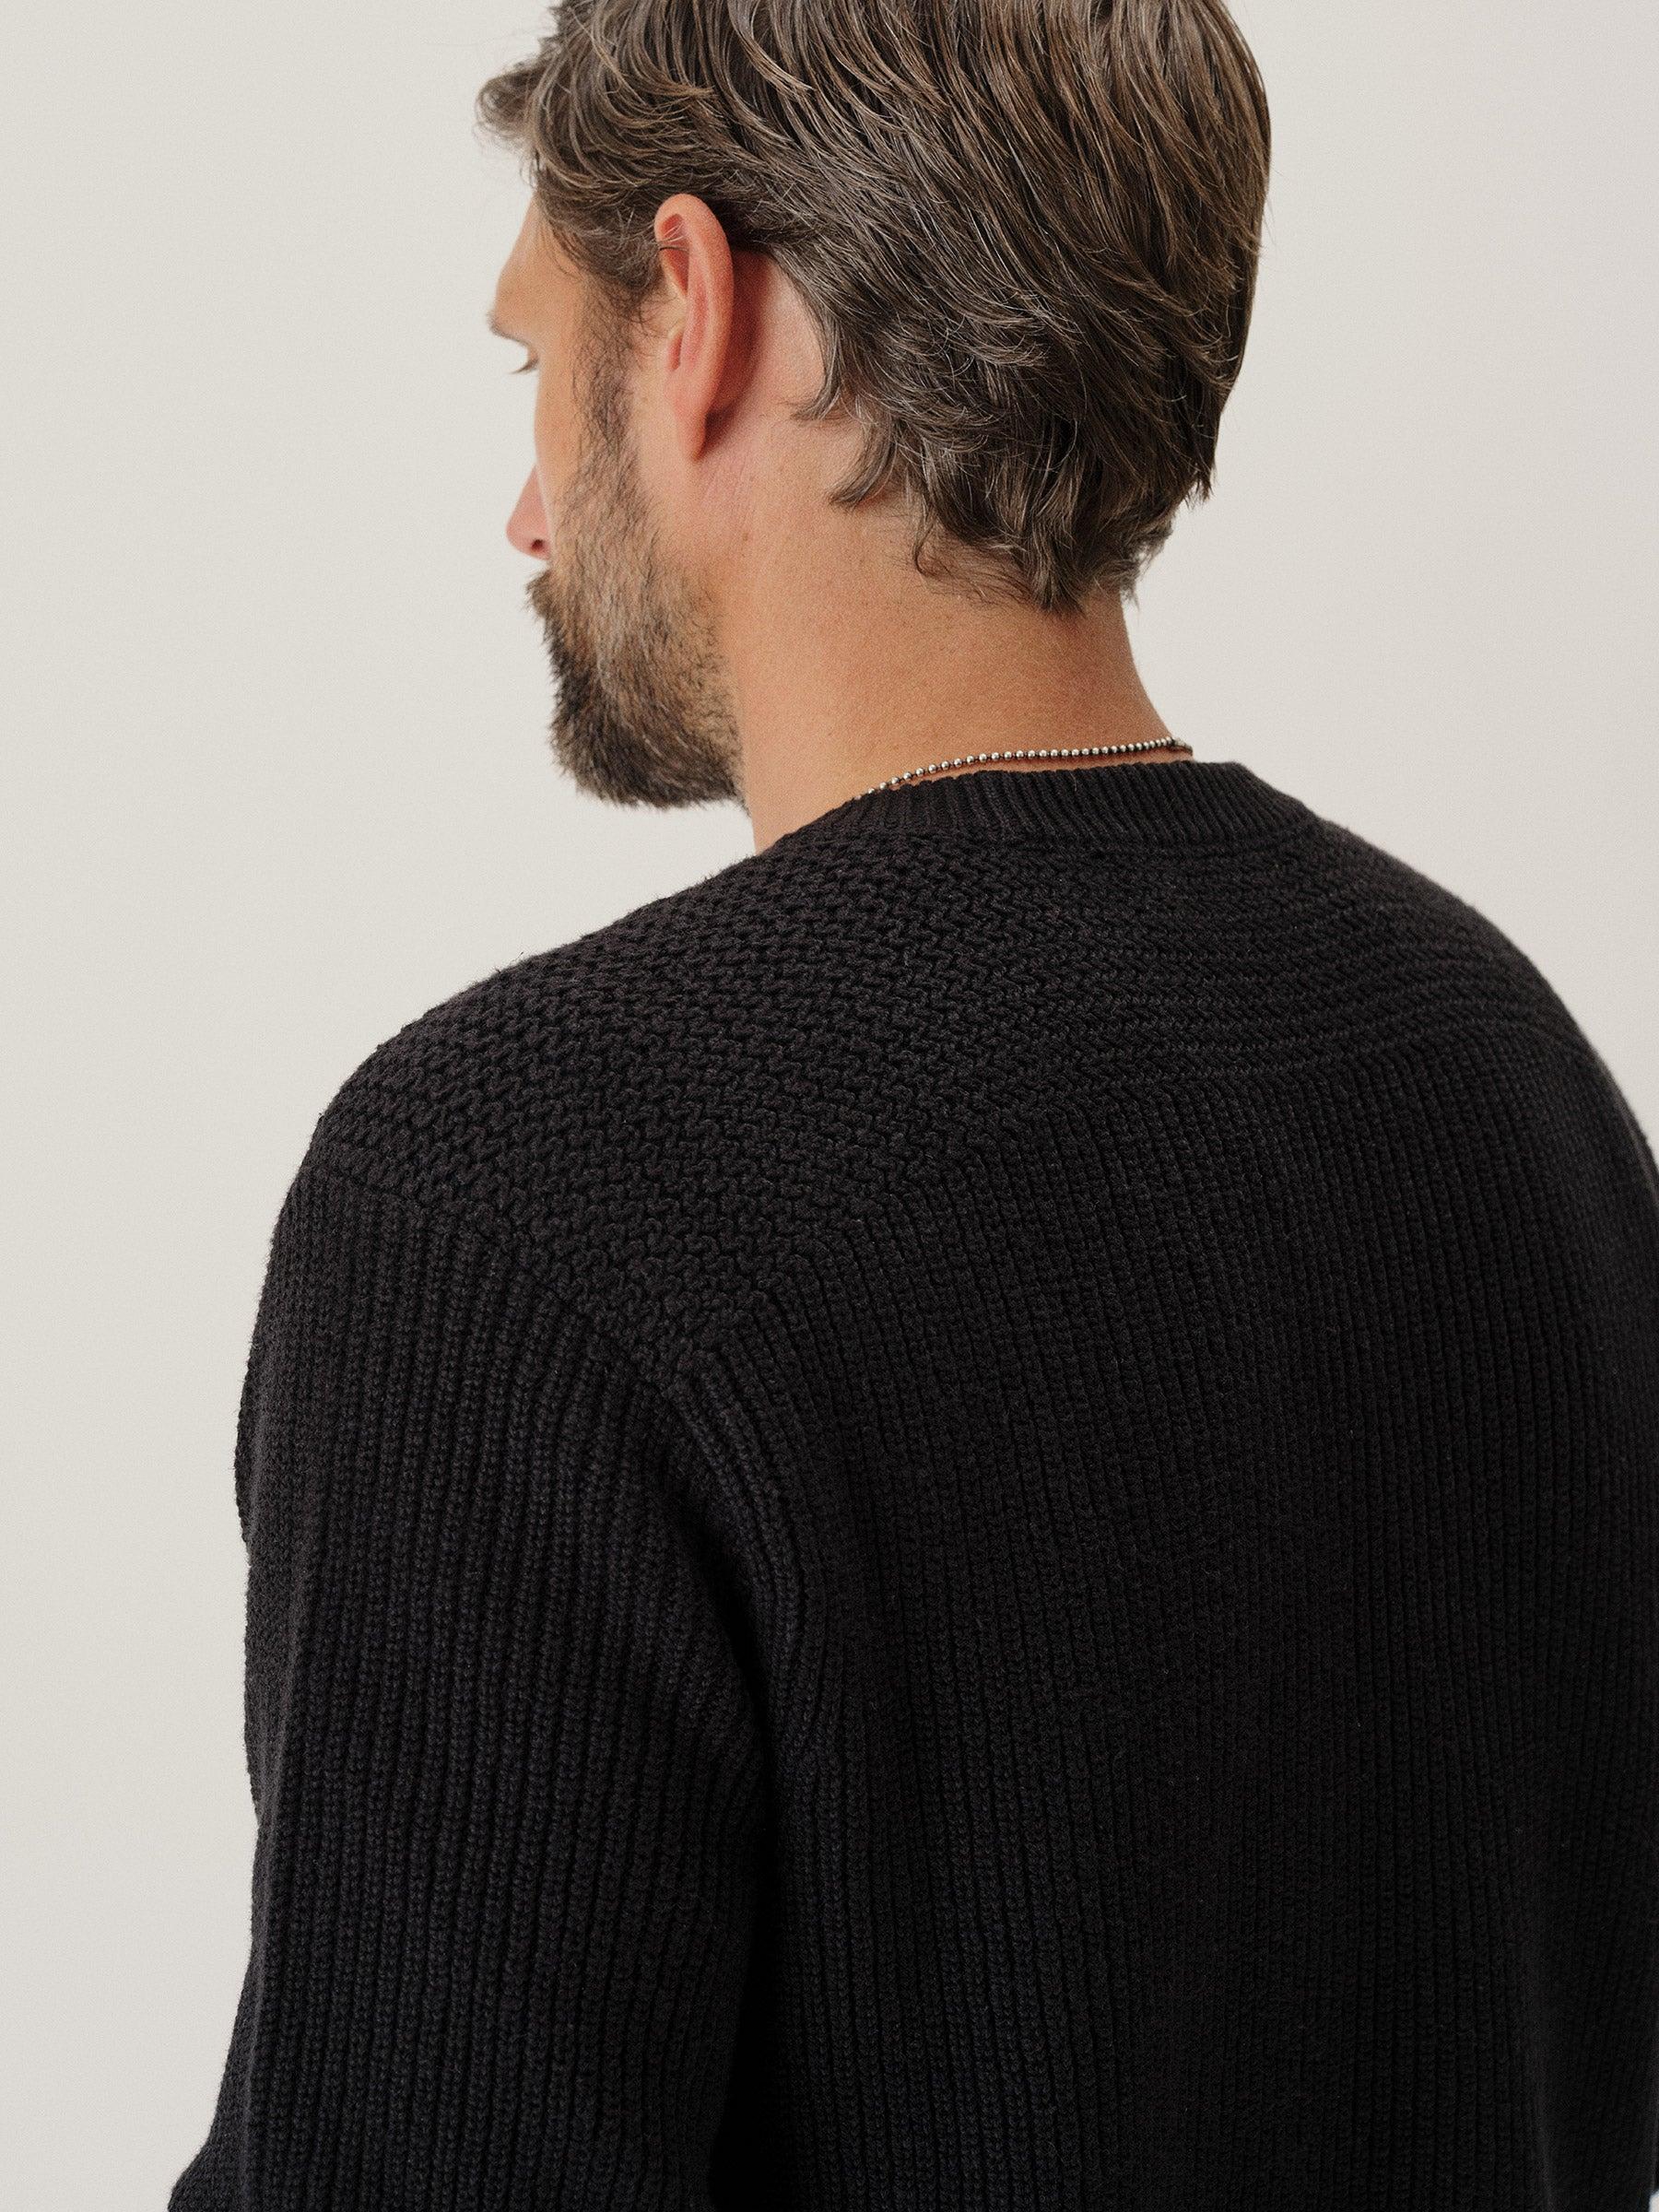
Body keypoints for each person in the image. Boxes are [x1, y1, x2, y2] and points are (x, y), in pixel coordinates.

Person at [169, 4, 1659, 2206]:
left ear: (695, 307)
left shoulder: (516, 1206)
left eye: (537, 361)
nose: (526, 504)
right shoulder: (1511, 1089)